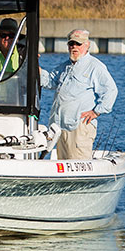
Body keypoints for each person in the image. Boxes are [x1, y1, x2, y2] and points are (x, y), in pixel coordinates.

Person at [39, 28, 117, 160]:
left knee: (77, 165)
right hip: (59, 127)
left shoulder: (95, 67)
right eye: (71, 44)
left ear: (87, 45)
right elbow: (49, 82)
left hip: (79, 128)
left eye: (78, 44)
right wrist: (35, 66)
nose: (74, 47)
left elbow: (111, 90)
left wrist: (96, 112)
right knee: (62, 167)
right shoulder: (64, 67)